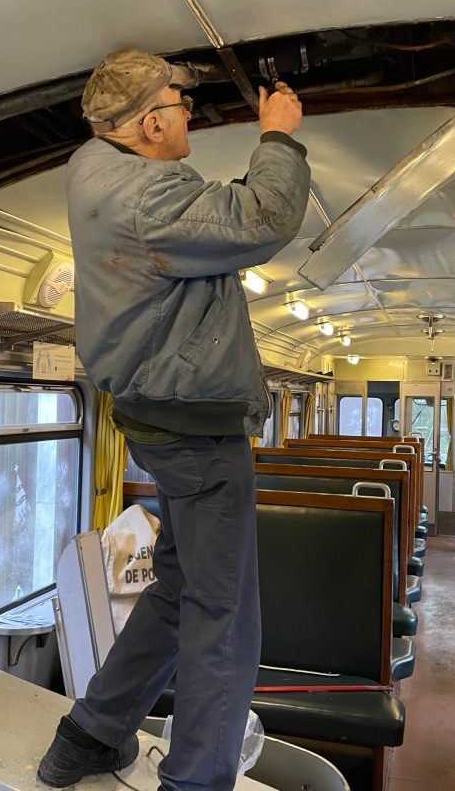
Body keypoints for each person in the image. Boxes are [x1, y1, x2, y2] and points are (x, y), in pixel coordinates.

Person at [37, 48, 311, 791]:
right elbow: (262, 215)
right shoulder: (151, 200)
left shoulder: (89, 164)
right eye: (183, 105)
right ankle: (194, 781)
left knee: (178, 585)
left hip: (156, 419)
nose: (191, 113)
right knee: (224, 618)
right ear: (151, 122)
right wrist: (278, 137)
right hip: (198, 429)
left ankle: (89, 734)